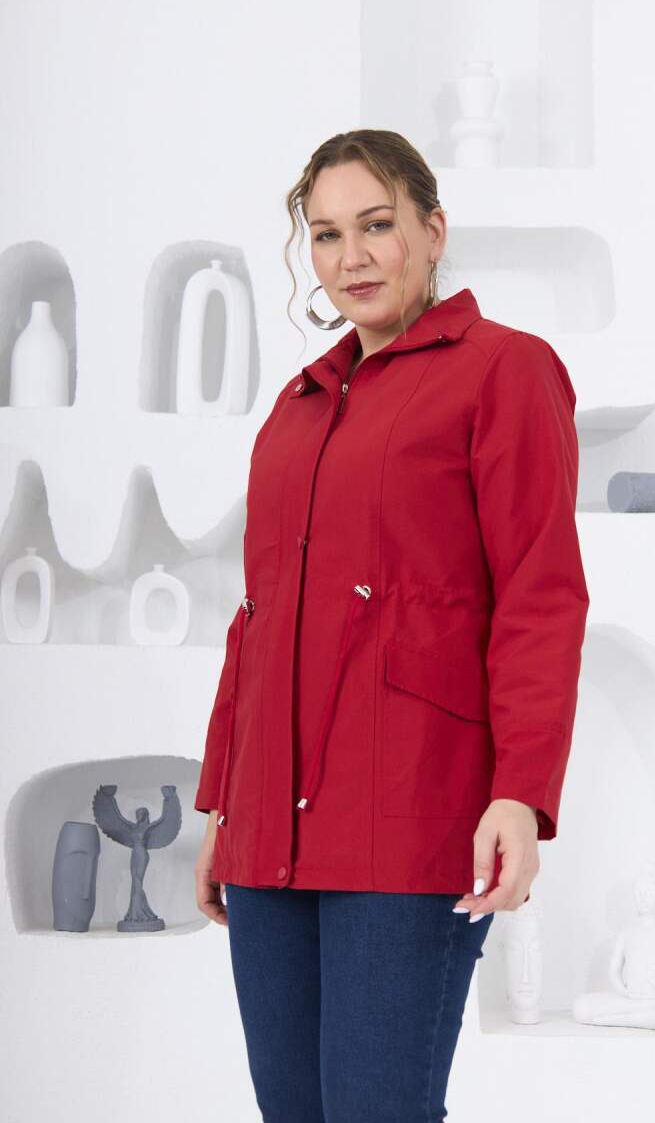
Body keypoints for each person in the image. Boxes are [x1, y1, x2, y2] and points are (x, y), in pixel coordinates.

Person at [193, 129, 590, 1122]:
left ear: (433, 230)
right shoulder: (296, 409)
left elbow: (540, 595)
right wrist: (223, 809)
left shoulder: (504, 371)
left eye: (376, 225)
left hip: (411, 818)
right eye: (327, 235)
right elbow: (257, 623)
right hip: (268, 833)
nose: (351, 257)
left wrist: (521, 795)